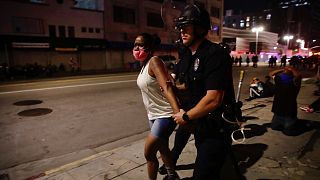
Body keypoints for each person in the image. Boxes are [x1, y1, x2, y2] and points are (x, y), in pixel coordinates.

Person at [172, 4, 236, 179]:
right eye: (180, 28)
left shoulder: (215, 54)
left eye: (186, 27)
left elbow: (214, 99)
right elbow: (188, 85)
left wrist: (185, 116)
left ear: (200, 28)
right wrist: (173, 88)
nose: (182, 32)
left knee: (203, 174)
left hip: (216, 128)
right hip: (199, 123)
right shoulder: (187, 54)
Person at [134, 33, 180, 180]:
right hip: (153, 115)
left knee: (149, 153)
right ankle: (173, 176)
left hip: (165, 115)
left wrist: (178, 113)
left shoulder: (154, 61)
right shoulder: (144, 65)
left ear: (149, 47)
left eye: (140, 45)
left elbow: (167, 88)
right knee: (163, 148)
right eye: (135, 44)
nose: (136, 48)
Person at [269, 66, 302, 135]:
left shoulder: (294, 82)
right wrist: (283, 69)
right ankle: (289, 123)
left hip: (289, 110)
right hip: (278, 110)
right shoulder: (279, 80)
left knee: (288, 131)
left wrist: (291, 69)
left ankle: (295, 123)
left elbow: (299, 76)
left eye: (285, 72)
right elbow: (271, 74)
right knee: (274, 127)